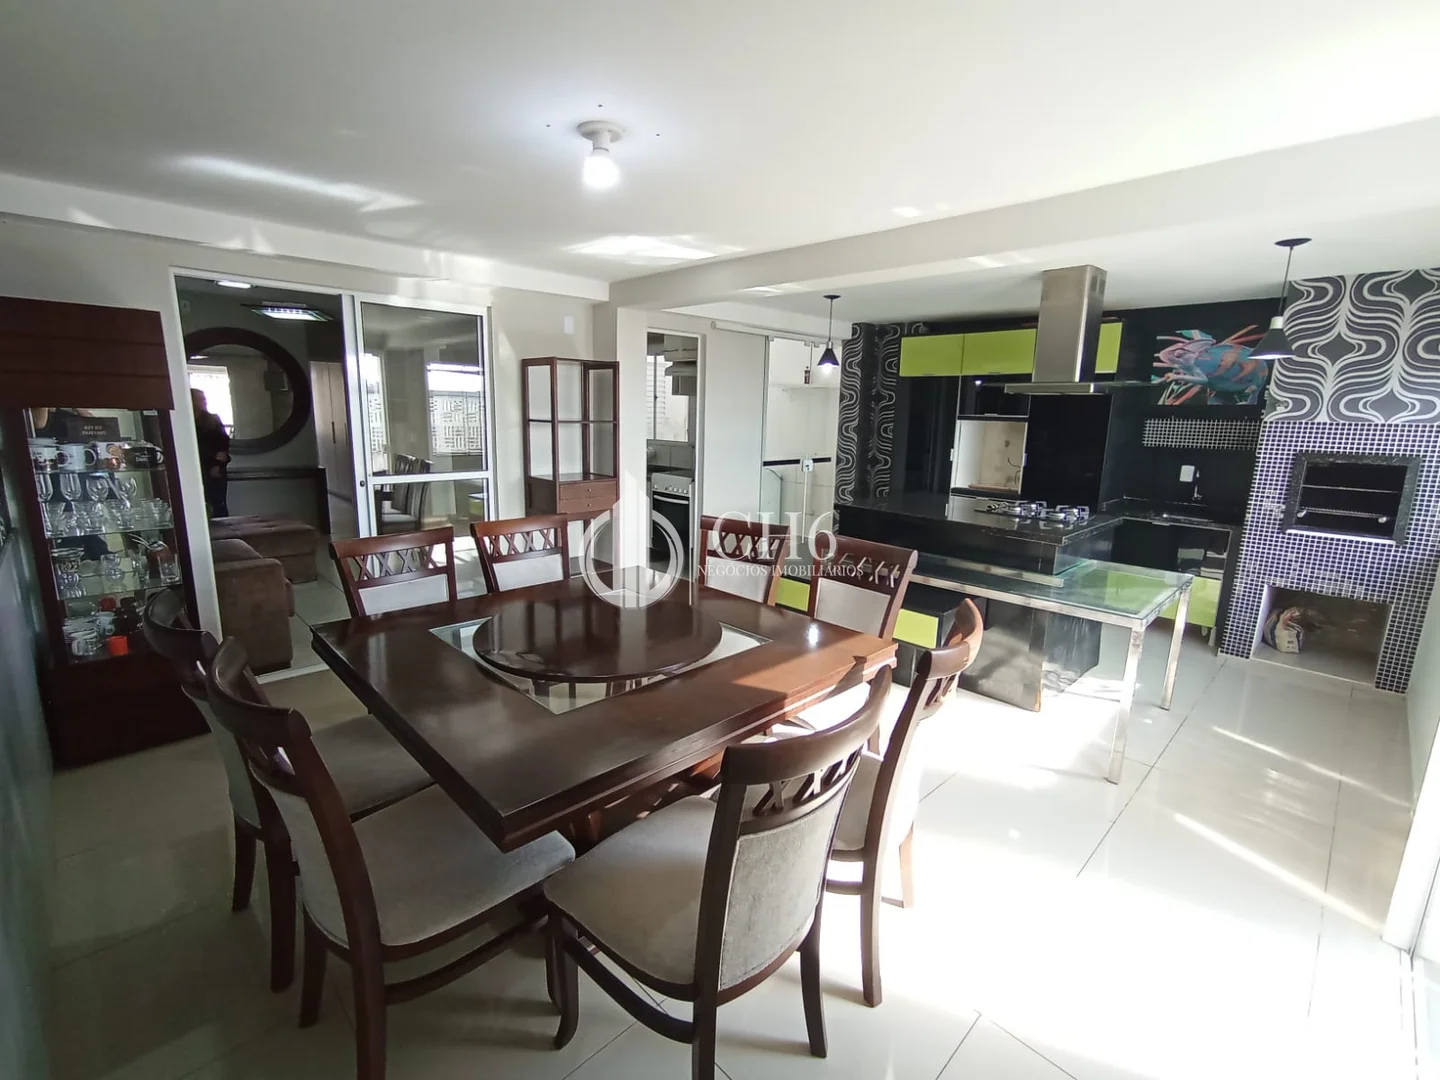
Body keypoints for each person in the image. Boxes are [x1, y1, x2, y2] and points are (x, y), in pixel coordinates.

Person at [192, 389, 231, 518]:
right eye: (200, 399)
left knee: (217, 503)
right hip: (195, 467)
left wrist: (217, 464)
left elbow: (223, 444)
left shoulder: (213, 420)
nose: (204, 401)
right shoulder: (185, 421)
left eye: (204, 398)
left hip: (214, 467)